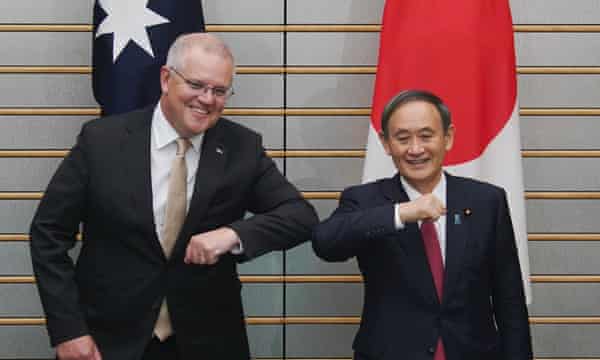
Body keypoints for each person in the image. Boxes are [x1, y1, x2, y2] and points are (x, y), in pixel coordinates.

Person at [30, 33, 318, 360]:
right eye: (196, 84)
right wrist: (69, 330)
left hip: (207, 342)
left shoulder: (242, 148)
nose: (207, 99)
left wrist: (233, 234)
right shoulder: (102, 142)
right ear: (166, 79)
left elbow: (300, 216)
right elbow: (48, 234)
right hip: (106, 341)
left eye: (219, 90)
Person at [312, 89, 532, 360]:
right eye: (402, 138)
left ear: (447, 137)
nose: (415, 149)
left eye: (426, 136)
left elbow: (509, 299)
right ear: (385, 143)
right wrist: (401, 213)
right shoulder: (365, 200)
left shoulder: (487, 200)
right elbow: (325, 242)